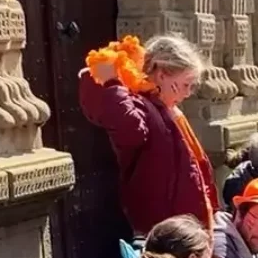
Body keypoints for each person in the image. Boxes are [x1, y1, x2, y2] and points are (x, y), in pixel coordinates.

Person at [79, 35, 218, 237]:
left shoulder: (170, 112)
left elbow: (198, 170)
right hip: (162, 232)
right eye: (186, 84)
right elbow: (130, 132)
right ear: (162, 75)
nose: (188, 93)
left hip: (187, 228)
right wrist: (112, 82)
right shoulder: (140, 105)